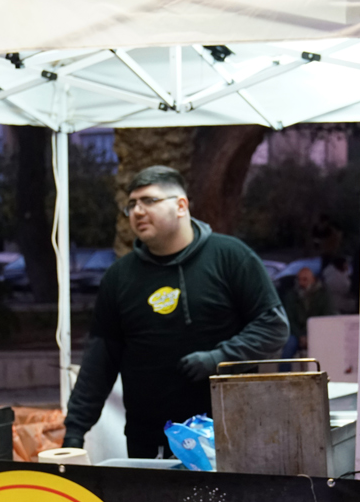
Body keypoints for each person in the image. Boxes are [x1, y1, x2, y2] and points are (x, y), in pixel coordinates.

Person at [63, 166, 288, 457]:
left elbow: (273, 327)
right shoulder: (119, 277)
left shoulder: (230, 257)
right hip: (150, 441)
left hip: (227, 434)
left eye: (149, 200)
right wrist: (74, 432)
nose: (137, 211)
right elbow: (100, 361)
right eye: (131, 205)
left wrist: (219, 358)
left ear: (181, 206)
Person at [281, 266, 334, 357]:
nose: (301, 283)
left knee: (328, 346)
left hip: (318, 332)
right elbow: (289, 319)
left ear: (313, 279)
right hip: (297, 334)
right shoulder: (291, 295)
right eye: (299, 279)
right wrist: (300, 336)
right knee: (289, 345)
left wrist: (311, 335)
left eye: (305, 279)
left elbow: (327, 317)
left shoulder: (323, 295)